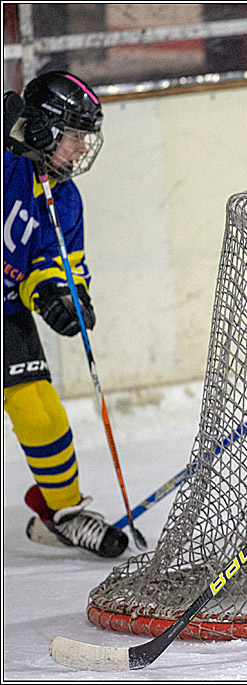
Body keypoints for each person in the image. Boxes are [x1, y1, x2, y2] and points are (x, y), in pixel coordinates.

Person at [3, 71, 128, 559]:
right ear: (43, 128)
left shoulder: (65, 200)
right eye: (74, 135)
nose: (80, 148)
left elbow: (59, 265)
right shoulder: (9, 164)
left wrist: (59, 297)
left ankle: (63, 515)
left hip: (6, 309)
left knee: (43, 413)